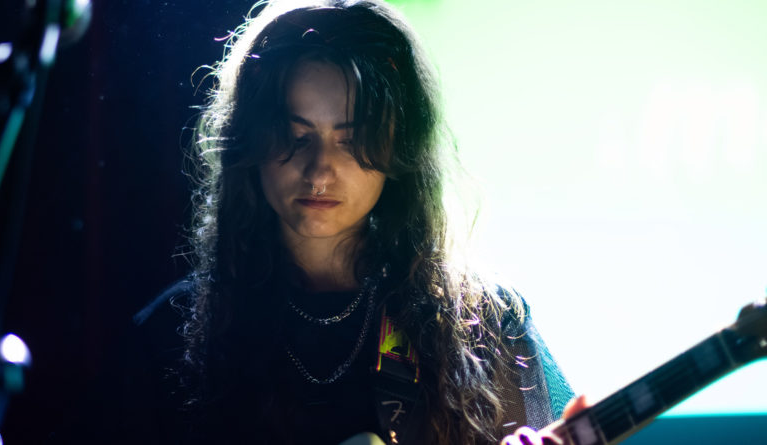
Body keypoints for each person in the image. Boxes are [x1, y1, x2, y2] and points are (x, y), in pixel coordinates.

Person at [135, 0, 581, 443]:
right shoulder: (171, 332)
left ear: (400, 150)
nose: (319, 172)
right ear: (248, 142)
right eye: (296, 136)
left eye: (352, 141)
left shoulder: (482, 321)